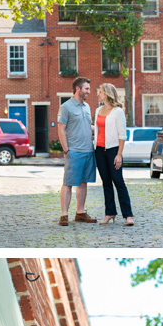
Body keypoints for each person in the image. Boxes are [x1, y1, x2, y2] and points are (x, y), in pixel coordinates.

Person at [56, 76, 97, 225]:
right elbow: (61, 129)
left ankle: (80, 213)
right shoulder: (66, 107)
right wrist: (66, 150)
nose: (89, 92)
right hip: (74, 152)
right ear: (78, 89)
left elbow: (89, 127)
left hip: (88, 151)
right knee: (68, 183)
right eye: (86, 89)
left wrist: (106, 128)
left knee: (83, 183)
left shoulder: (87, 107)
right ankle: (64, 215)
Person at [93, 83, 134, 225]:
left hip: (113, 150)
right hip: (99, 150)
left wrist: (119, 154)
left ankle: (128, 215)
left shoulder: (118, 111)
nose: (98, 94)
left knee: (118, 181)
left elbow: (122, 134)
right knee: (106, 182)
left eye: (101, 91)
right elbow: (98, 130)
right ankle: (109, 212)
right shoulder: (98, 110)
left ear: (108, 94)